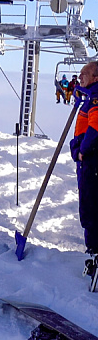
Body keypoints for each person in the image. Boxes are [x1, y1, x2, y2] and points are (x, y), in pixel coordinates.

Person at [71, 62, 98, 270]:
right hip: (88, 162)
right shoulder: (91, 96)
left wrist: (82, 151)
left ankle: (96, 253)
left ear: (96, 77)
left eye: (84, 74)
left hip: (91, 162)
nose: (80, 77)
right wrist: (79, 93)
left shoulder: (96, 97)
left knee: (91, 207)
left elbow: (95, 128)